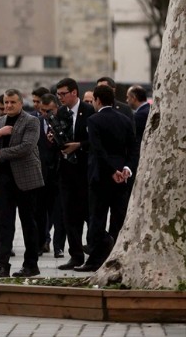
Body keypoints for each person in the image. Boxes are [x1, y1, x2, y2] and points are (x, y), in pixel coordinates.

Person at [75, 84, 139, 272]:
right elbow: (133, 148)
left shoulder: (93, 120)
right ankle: (116, 258)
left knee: (97, 219)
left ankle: (95, 260)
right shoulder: (125, 120)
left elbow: (98, 149)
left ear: (97, 100)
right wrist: (126, 168)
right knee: (118, 218)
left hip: (101, 176)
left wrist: (112, 170)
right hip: (122, 177)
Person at [0, 88, 44, 278]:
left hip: (26, 179)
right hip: (2, 179)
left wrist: (0, 153)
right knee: (3, 224)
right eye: (6, 102)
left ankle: (31, 265)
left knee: (29, 223)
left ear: (20, 103)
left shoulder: (31, 121)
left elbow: (26, 147)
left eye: (12, 102)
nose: (8, 105)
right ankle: (2, 265)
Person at [54, 78, 94, 271]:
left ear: (74, 93)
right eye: (58, 94)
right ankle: (75, 255)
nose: (60, 98)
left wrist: (79, 145)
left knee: (90, 215)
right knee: (69, 217)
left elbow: (96, 140)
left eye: (63, 94)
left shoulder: (89, 111)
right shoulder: (60, 113)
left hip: (86, 171)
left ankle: (95, 252)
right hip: (66, 172)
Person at [35, 93, 65, 258]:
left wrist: (58, 139)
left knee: (59, 214)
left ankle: (58, 247)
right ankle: (41, 243)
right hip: (40, 175)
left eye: (50, 111)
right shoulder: (36, 123)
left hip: (59, 175)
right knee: (40, 212)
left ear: (56, 108)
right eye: (43, 111)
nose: (46, 114)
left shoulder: (64, 122)